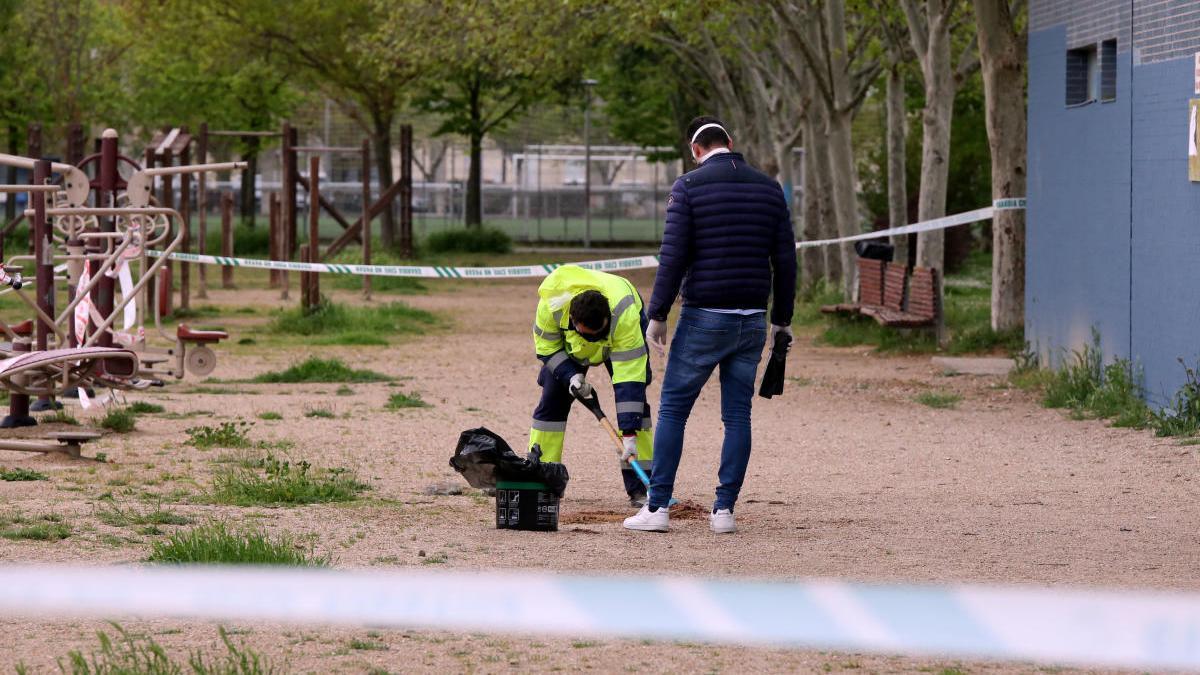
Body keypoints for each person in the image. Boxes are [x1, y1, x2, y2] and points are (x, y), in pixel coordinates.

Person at [623, 116, 796, 534]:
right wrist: (782, 321)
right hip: (752, 318)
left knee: (673, 411)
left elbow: (673, 256)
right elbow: (786, 260)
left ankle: (658, 506)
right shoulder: (770, 189)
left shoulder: (688, 187)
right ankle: (724, 511)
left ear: (695, 150)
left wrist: (658, 314)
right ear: (730, 143)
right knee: (737, 416)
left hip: (704, 315)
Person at [528, 264, 654, 507]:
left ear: (608, 319)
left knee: (635, 408)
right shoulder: (551, 304)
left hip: (622, 336)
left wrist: (629, 434)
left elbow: (630, 381)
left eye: (597, 334)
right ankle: (542, 479)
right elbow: (546, 348)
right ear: (573, 321)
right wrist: (570, 376)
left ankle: (644, 487)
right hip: (569, 348)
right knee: (551, 404)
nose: (593, 340)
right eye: (588, 335)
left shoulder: (624, 315)